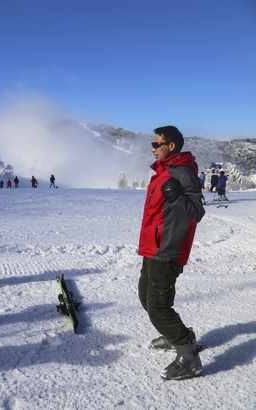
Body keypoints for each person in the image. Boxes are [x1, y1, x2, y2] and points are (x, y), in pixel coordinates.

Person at [138, 126, 205, 380]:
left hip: (168, 249)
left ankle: (189, 356)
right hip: (152, 247)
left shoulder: (182, 173)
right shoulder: (164, 171)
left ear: (171, 146)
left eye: (157, 145)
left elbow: (196, 213)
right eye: (152, 144)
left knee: (158, 306)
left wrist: (176, 197)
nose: (153, 149)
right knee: (146, 297)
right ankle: (172, 335)